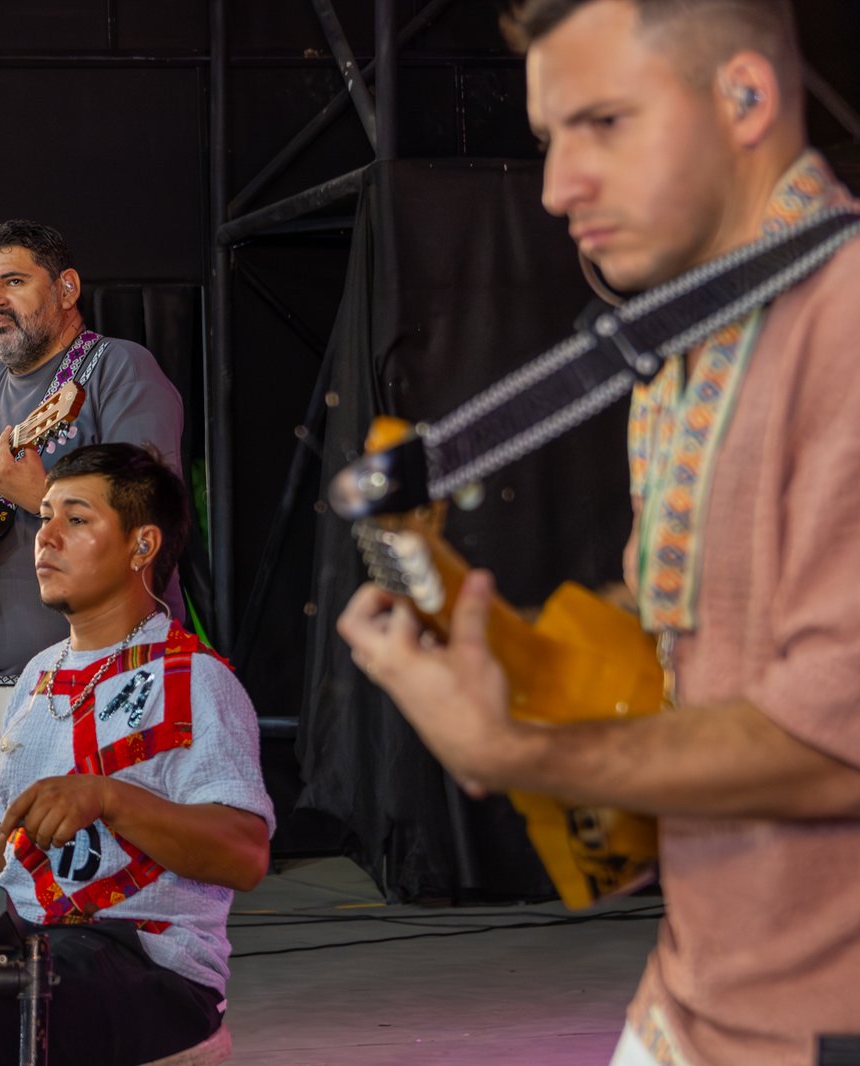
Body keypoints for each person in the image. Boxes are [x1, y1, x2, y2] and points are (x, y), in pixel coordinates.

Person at [338, 2, 860, 1064]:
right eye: (550, 137)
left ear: (745, 97)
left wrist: (516, 748)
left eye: (604, 124)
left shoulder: (843, 330)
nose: (556, 186)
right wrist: (509, 658)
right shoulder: (688, 340)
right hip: (688, 1006)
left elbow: (832, 747)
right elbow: (692, 634)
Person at [0, 442, 273, 1066]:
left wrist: (108, 797)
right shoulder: (37, 678)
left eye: (75, 519)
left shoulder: (194, 679)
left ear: (142, 545)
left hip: (151, 966)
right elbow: (2, 851)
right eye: (45, 516)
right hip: (34, 944)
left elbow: (246, 855)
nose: (45, 537)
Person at [0, 220, 185, 823]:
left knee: (112, 864)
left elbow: (151, 516)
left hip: (108, 677)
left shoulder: (116, 369)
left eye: (13, 282)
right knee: (11, 869)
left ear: (67, 288)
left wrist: (40, 495)